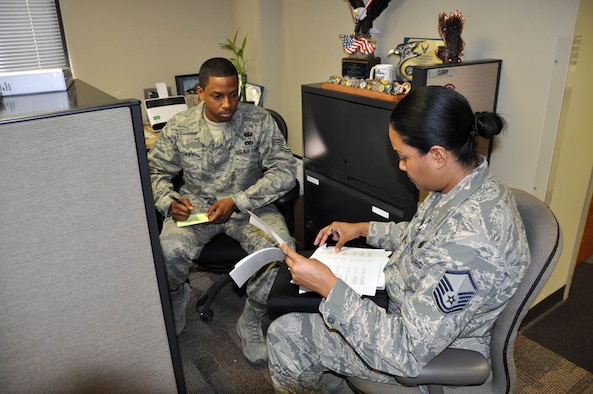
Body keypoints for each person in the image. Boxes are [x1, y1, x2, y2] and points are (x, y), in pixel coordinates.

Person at [267, 85, 530, 393]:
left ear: (437, 155)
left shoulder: (470, 246)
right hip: (407, 304)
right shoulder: (464, 185)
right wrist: (363, 228)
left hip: (427, 350)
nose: (401, 167)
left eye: (403, 157)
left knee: (286, 333)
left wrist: (329, 287)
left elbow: (406, 352)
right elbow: (422, 236)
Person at [148, 57, 296, 364]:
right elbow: (154, 173)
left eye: (233, 94)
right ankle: (177, 297)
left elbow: (285, 171)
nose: (228, 103)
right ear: (200, 93)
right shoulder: (180, 126)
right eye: (218, 95)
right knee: (167, 252)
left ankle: (252, 319)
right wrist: (169, 202)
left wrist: (239, 200)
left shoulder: (259, 121)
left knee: (281, 250)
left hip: (248, 206)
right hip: (197, 208)